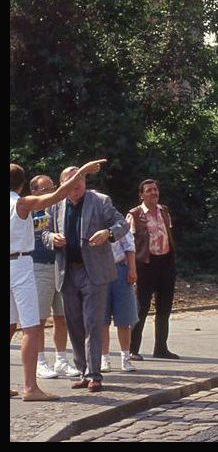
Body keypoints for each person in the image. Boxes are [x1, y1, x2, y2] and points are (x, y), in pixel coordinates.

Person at [11, 159, 105, 401]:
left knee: (10, 326)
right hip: (20, 264)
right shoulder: (21, 203)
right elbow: (58, 196)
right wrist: (82, 172)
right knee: (31, 328)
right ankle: (30, 387)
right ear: (22, 184)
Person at [41, 162, 128, 393]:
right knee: (74, 325)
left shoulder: (101, 201)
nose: (76, 185)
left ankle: (94, 375)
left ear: (85, 182)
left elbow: (122, 225)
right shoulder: (54, 204)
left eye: (79, 180)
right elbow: (44, 233)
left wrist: (107, 233)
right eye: (71, 181)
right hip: (66, 271)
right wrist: (52, 238)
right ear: (62, 185)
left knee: (92, 323)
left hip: (94, 272)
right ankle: (82, 371)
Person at [27, 175, 74, 380]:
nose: (50, 192)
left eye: (52, 187)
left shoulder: (60, 208)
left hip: (60, 266)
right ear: (34, 192)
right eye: (44, 189)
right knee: (38, 319)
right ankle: (40, 361)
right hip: (39, 266)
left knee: (62, 317)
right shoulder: (27, 210)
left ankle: (62, 359)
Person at [127, 179, 179, 360]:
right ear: (141, 195)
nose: (153, 193)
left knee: (164, 308)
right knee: (141, 308)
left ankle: (161, 348)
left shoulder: (164, 211)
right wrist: (131, 267)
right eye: (149, 190)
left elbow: (168, 234)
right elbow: (128, 243)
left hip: (165, 263)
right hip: (145, 264)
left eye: (155, 189)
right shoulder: (134, 214)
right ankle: (133, 349)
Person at [99, 225, 138, 372]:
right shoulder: (91, 218)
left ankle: (126, 358)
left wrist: (132, 270)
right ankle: (104, 358)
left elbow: (129, 246)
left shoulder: (119, 222)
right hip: (100, 271)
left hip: (120, 269)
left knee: (124, 317)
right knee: (102, 319)